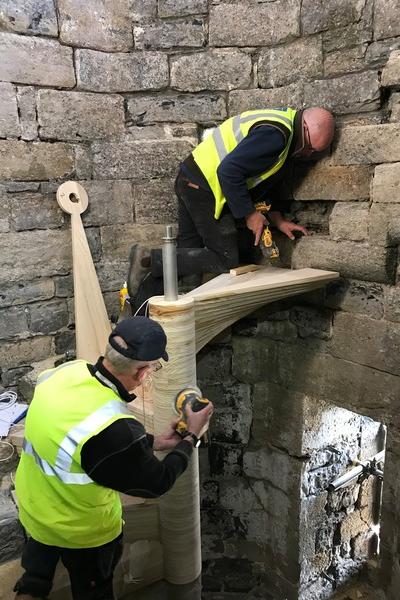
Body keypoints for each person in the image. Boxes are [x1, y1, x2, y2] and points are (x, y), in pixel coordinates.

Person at [13, 316, 213, 600]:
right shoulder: (114, 428)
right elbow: (156, 483)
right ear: (141, 372)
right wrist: (191, 436)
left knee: (34, 582)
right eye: (153, 367)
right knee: (93, 592)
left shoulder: (67, 373)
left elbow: (72, 434)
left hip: (35, 510)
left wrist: (153, 441)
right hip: (82, 532)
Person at [128, 106, 335, 310]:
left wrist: (277, 220)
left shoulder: (284, 128)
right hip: (205, 187)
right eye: (310, 148)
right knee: (225, 259)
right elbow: (228, 171)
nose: (307, 155)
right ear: (306, 128)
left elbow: (268, 180)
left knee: (186, 255)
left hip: (191, 178)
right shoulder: (277, 135)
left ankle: (141, 310)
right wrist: (250, 214)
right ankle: (149, 258)